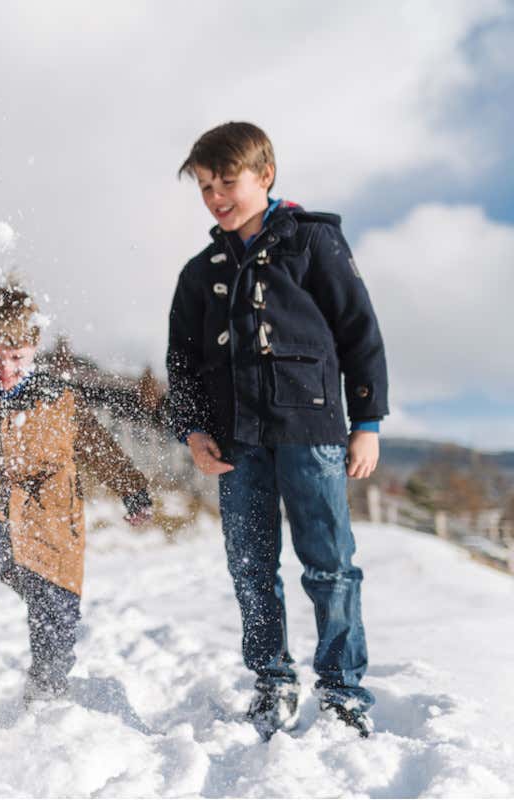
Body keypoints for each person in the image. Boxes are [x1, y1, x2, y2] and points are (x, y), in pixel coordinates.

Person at [167, 121, 388, 738]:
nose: (215, 198)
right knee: (250, 567)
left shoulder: (314, 243)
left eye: (226, 182)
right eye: (206, 187)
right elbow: (181, 360)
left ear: (264, 176)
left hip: (311, 430)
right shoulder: (199, 272)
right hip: (236, 443)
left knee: (330, 566)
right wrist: (192, 429)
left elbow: (359, 333)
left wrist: (366, 421)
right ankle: (272, 680)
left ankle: (343, 691)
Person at [0, 286, 153, 705]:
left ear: (34, 347)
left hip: (54, 529)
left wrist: (132, 490)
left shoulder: (59, 399)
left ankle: (46, 694)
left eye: (17, 358)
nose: (5, 369)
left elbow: (99, 447)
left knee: (55, 621)